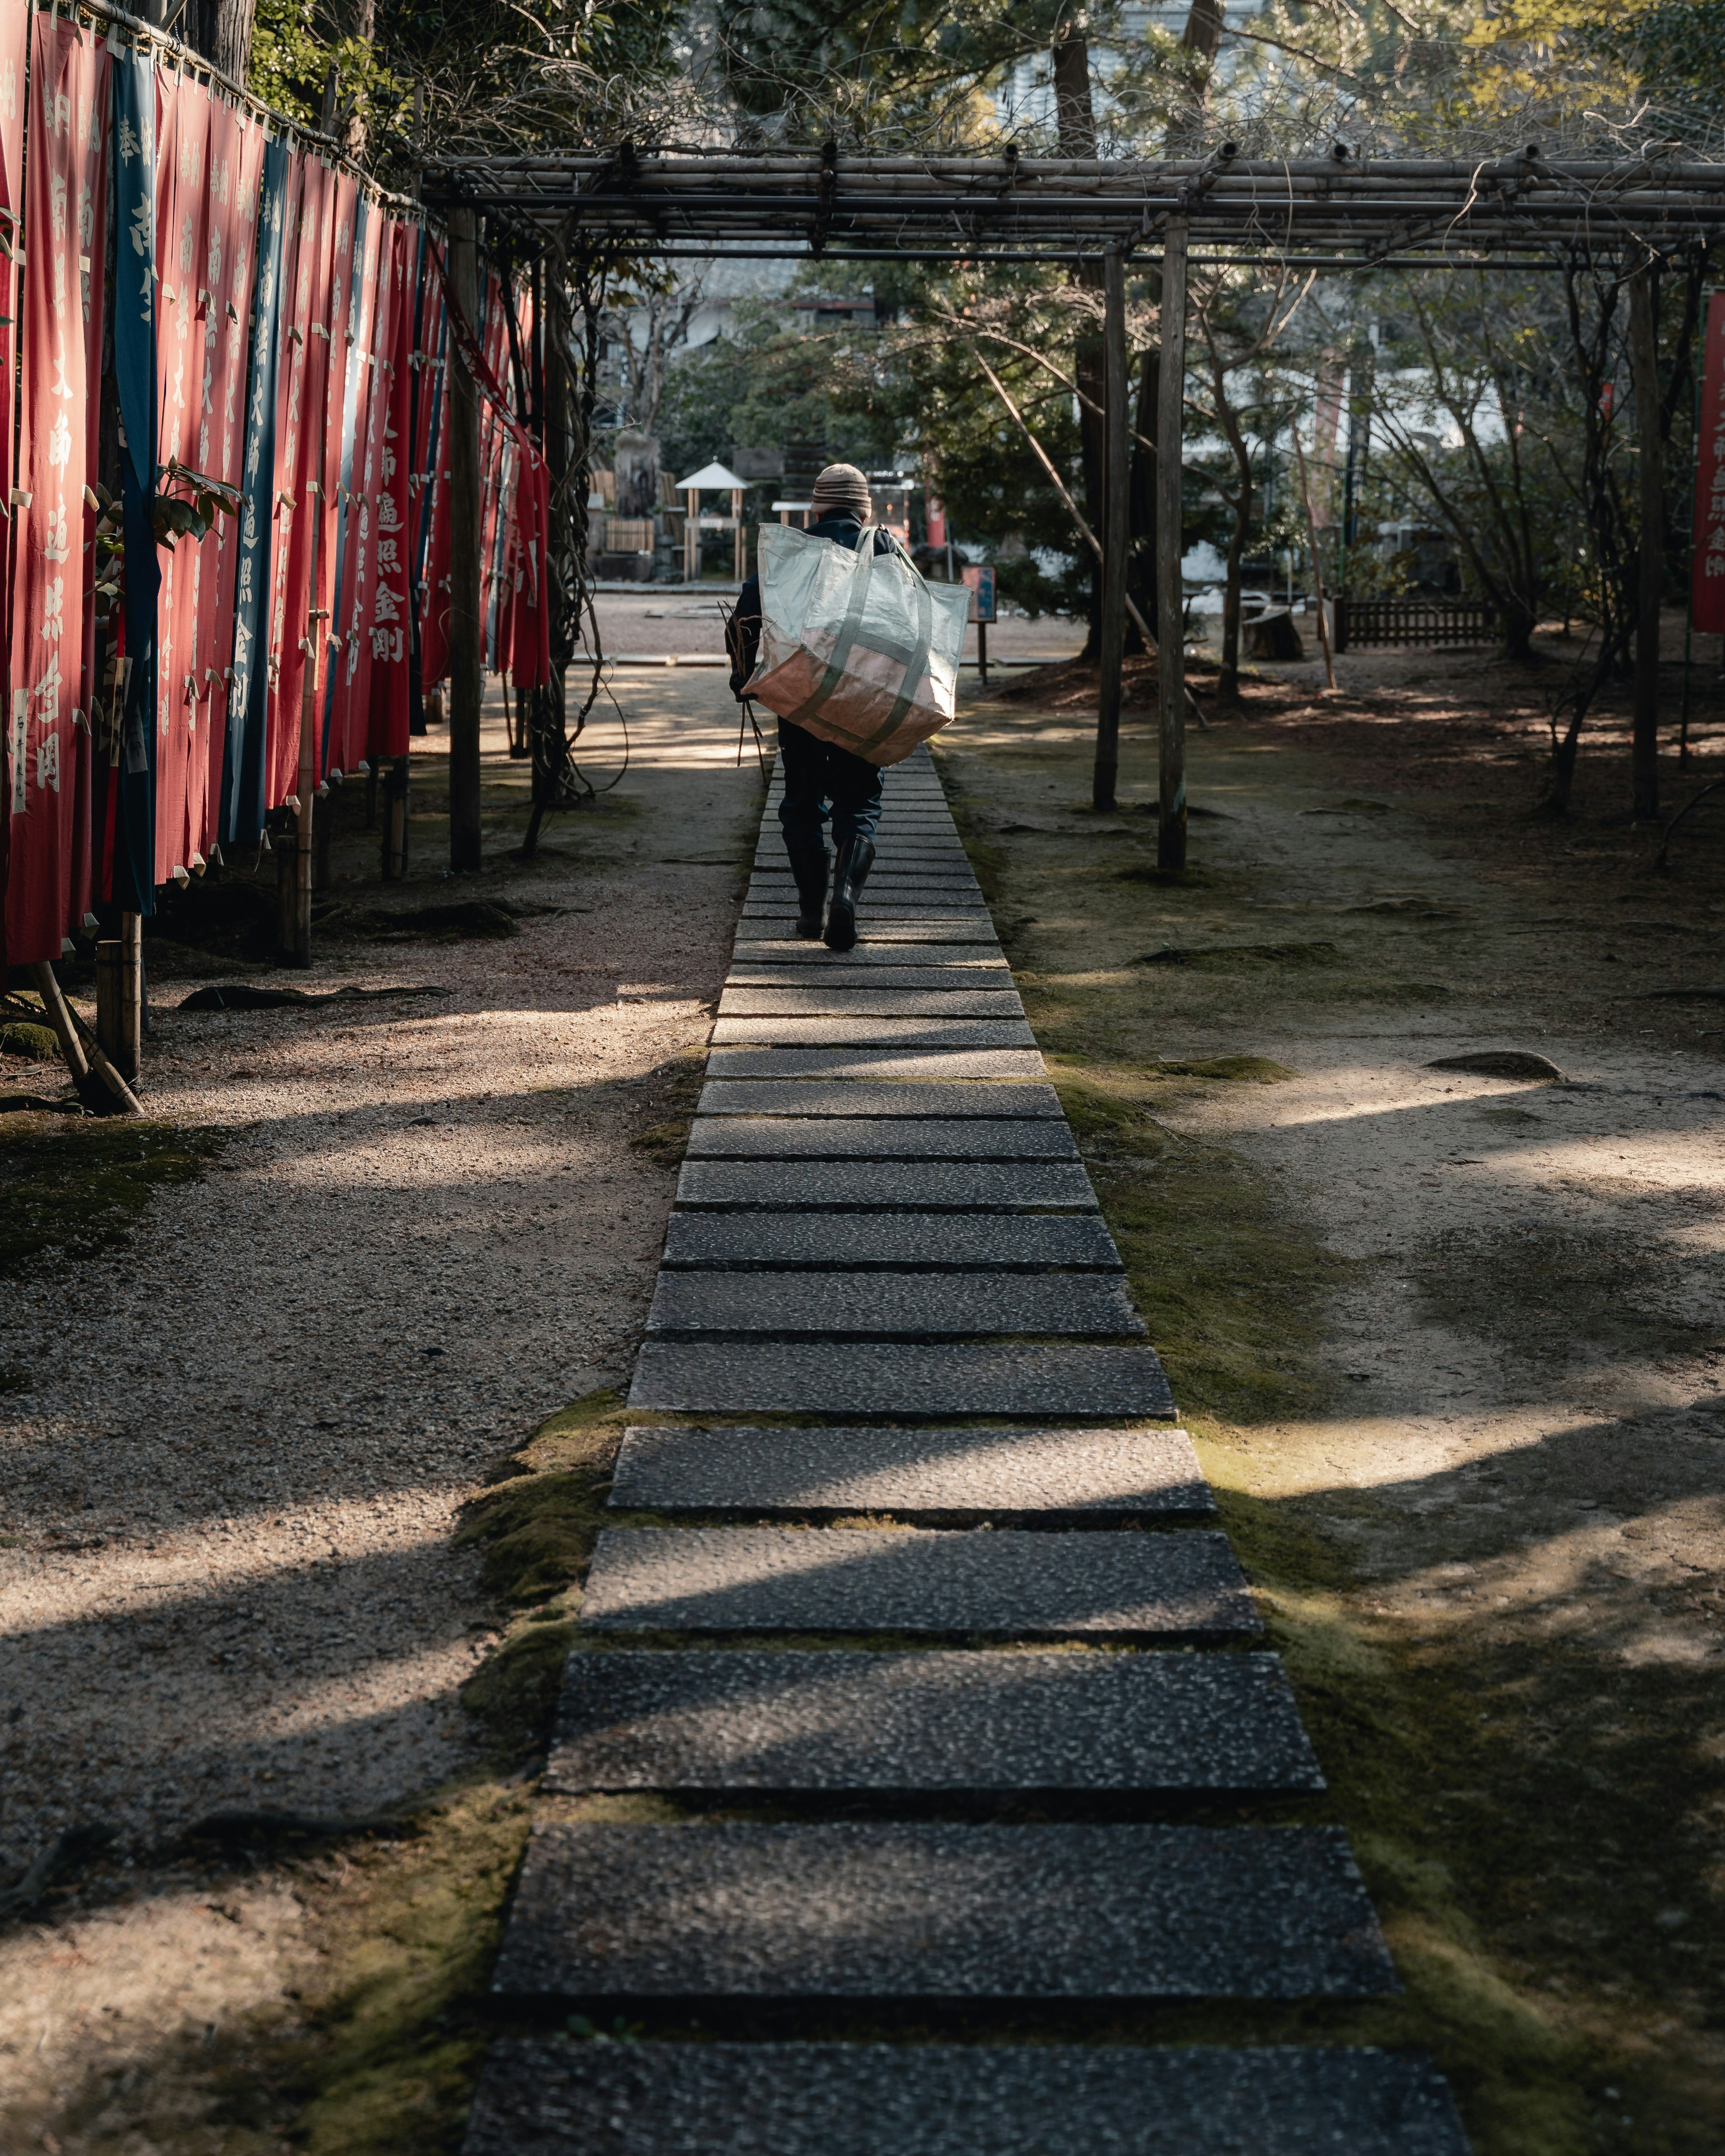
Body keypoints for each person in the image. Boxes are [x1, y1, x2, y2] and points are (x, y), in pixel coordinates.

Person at [725, 463, 902, 952]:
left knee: (802, 800)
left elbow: (745, 620)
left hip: (801, 700)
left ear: (815, 507)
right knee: (861, 800)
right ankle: (845, 897)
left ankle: (808, 913)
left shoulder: (792, 554)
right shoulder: (883, 548)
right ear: (863, 510)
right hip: (866, 699)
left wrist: (745, 682)